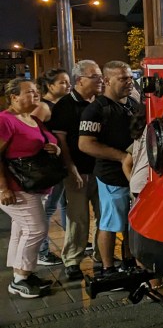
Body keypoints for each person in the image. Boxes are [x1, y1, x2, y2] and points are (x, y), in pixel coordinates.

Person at [78, 61, 141, 277]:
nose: (129, 82)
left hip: (134, 176)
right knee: (110, 222)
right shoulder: (95, 110)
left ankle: (129, 261)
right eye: (123, 78)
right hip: (111, 176)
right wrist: (122, 157)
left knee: (131, 223)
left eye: (130, 78)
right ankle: (107, 268)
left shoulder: (132, 103)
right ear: (107, 81)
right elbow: (85, 144)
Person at [0, 78, 61, 298]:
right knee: (36, 229)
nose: (35, 96)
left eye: (36, 92)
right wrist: (3, 189)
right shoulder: (5, 120)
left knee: (22, 229)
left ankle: (20, 276)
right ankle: (21, 278)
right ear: (14, 97)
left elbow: (48, 140)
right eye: (29, 92)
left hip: (34, 185)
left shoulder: (32, 118)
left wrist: (53, 147)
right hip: (17, 187)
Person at [48, 60, 104, 281]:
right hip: (78, 172)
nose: (100, 80)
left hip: (101, 170)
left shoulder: (100, 102)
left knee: (104, 217)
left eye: (100, 75)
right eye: (95, 76)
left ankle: (102, 255)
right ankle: (72, 259)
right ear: (79, 80)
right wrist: (71, 169)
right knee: (78, 218)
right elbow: (61, 141)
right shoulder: (65, 106)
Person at [32, 67, 72, 266]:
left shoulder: (61, 104)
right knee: (48, 209)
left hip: (61, 162)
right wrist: (45, 145)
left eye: (67, 81)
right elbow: (29, 128)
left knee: (65, 204)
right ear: (50, 86)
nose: (67, 85)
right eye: (62, 82)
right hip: (51, 165)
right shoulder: (45, 107)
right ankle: (42, 251)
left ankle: (69, 241)